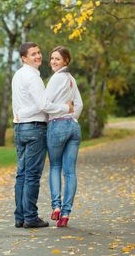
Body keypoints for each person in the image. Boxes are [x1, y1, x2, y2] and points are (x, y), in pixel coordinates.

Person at [12, 42, 73, 229]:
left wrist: (23, 114)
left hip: (20, 128)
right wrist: (65, 108)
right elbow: (43, 105)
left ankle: (20, 217)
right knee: (31, 175)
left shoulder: (18, 75)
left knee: (22, 174)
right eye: (33, 54)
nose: (38, 56)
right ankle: (30, 217)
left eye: (39, 53)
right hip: (34, 129)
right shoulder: (33, 78)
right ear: (24, 58)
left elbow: (26, 105)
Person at [45, 46, 83, 227]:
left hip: (57, 125)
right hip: (73, 127)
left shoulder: (56, 78)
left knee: (55, 167)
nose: (53, 61)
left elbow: (45, 104)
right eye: (52, 58)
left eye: (57, 59)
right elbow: (79, 104)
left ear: (66, 61)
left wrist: (60, 115)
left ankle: (56, 207)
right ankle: (66, 214)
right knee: (70, 172)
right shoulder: (71, 79)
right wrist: (71, 117)